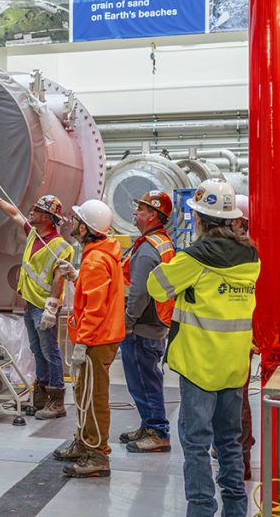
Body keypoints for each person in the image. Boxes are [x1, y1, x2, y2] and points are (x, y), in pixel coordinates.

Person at [147, 179, 260, 517]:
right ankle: (236, 510)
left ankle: (200, 509)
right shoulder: (251, 257)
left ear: (200, 219)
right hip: (234, 366)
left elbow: (156, 286)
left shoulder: (196, 257)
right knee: (229, 442)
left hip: (198, 365)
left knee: (197, 444)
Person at [0, 182, 73, 419]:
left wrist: (52, 308)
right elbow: (14, 214)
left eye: (38, 211)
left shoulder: (61, 246)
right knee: (36, 350)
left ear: (50, 218)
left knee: (50, 351)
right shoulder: (33, 233)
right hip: (31, 305)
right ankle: (40, 396)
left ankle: (57, 399)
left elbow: (59, 279)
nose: (33, 212)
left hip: (44, 307)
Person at [53, 199, 124, 479]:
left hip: (96, 339)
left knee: (94, 399)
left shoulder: (95, 259)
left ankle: (97, 455)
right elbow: (97, 292)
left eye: (77, 221)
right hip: (100, 337)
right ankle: (85, 443)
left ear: (85, 227)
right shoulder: (101, 254)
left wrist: (82, 342)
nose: (73, 224)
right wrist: (76, 277)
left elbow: (95, 309)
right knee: (85, 394)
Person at [119, 190, 176, 453]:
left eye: (140, 209)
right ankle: (148, 424)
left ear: (153, 215)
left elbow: (139, 292)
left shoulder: (147, 249)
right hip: (153, 322)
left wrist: (128, 322)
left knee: (144, 380)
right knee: (145, 378)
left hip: (142, 325)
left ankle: (157, 431)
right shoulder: (159, 242)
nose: (135, 212)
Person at [232, 194, 255, 480]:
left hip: (237, 340)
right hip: (240, 337)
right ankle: (238, 451)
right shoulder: (249, 251)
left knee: (238, 400)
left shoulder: (245, 253)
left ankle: (241, 460)